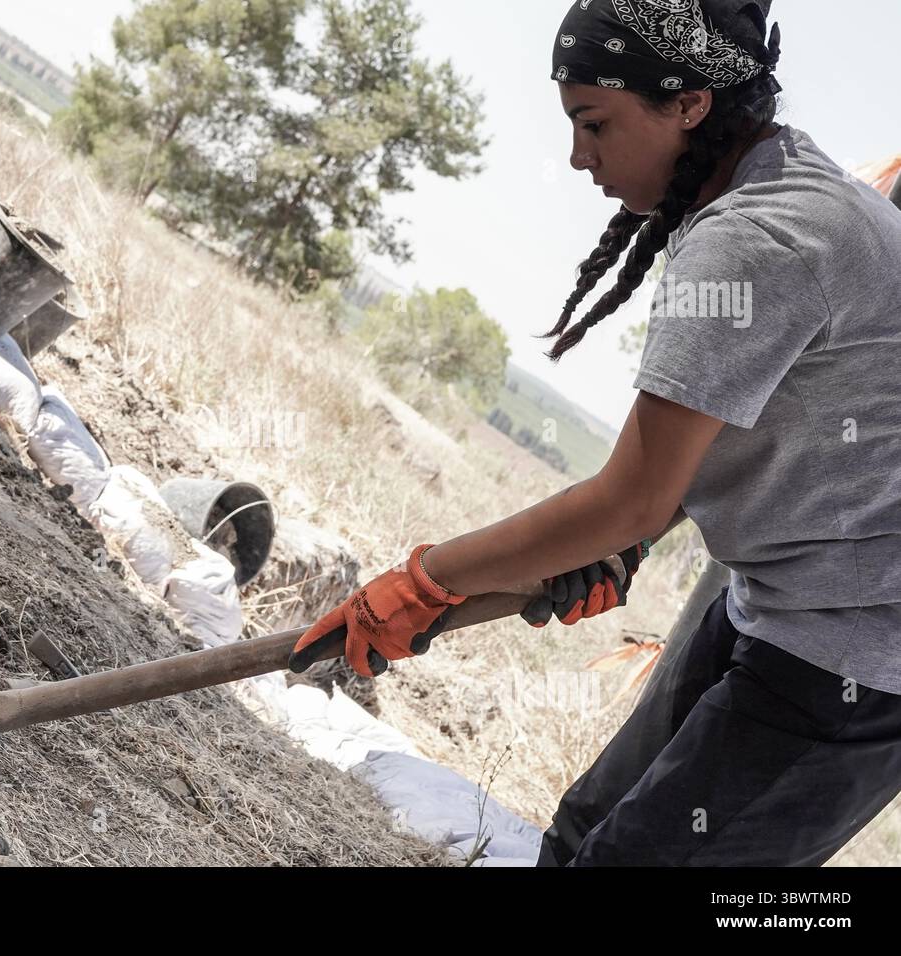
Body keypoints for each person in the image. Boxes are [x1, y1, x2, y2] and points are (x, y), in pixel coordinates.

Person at [289, 0, 901, 866]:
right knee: (586, 828)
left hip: (863, 654)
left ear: (689, 103)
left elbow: (629, 498)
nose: (579, 156)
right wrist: (624, 546)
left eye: (594, 123)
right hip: (792, 593)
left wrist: (424, 582)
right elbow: (725, 449)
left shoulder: (757, 238)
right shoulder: (779, 181)